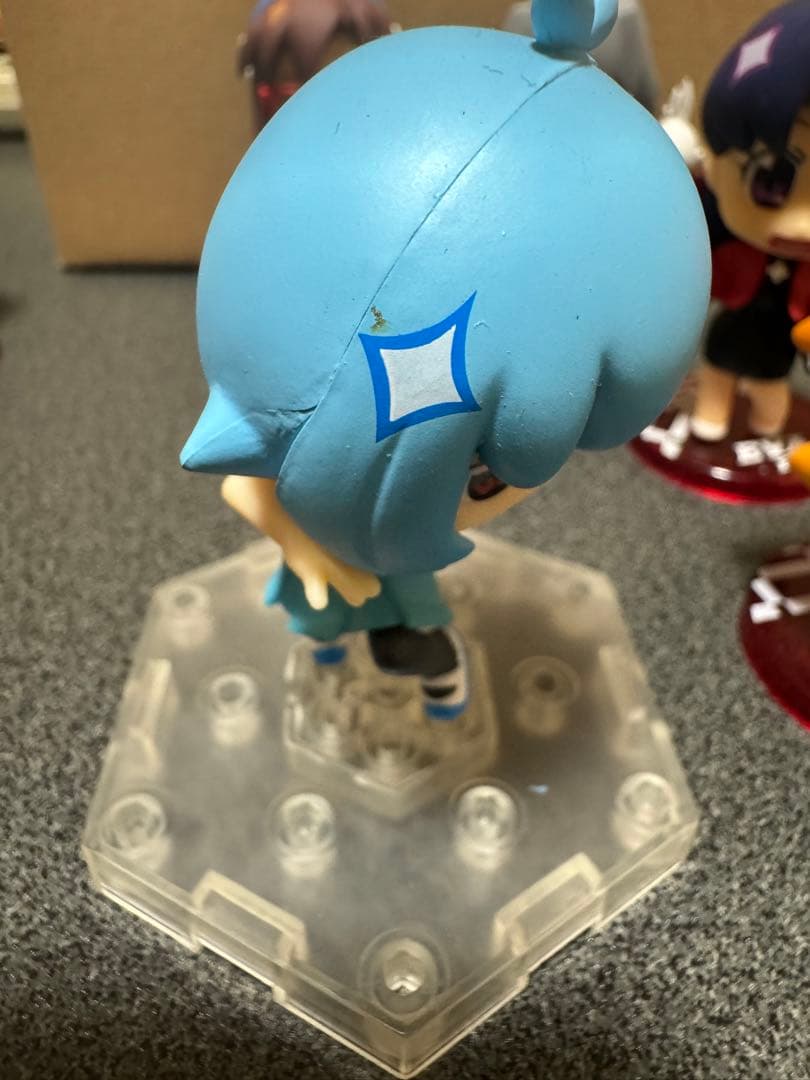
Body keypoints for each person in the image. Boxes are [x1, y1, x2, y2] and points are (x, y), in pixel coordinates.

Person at [182, 0, 709, 719]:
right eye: (483, 477)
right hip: (334, 553)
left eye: (484, 478)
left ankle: (427, 681)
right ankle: (331, 654)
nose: (485, 493)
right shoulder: (305, 450)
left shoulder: (400, 504)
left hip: (393, 561)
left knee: (413, 625)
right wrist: (302, 549)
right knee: (323, 621)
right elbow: (245, 490)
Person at [690, 0, 810, 441]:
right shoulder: (706, 228)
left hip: (778, 349)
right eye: (772, 180)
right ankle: (714, 415)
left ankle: (764, 426)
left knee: (769, 394)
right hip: (727, 332)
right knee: (716, 376)